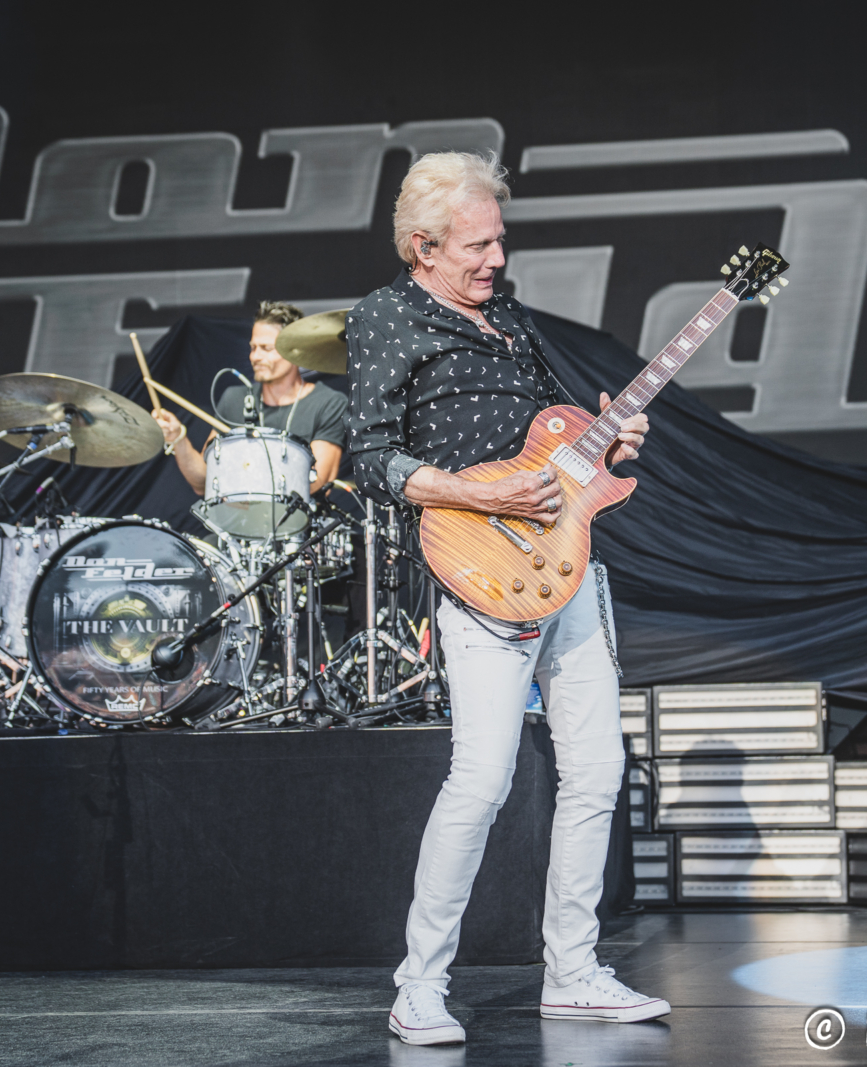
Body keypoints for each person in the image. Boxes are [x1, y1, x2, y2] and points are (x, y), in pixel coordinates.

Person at [345, 151, 669, 1046]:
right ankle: (419, 984)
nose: (495, 259)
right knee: (483, 776)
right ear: (423, 247)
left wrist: (610, 437)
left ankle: (573, 970)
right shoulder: (384, 319)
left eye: (500, 242)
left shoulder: (509, 320)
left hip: (567, 565)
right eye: (477, 245)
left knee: (597, 769)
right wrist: (478, 494)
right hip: (474, 569)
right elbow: (371, 458)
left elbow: (552, 441)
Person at [151, 301, 347, 494]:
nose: (255, 357)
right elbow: (203, 482)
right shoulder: (234, 399)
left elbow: (318, 482)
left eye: (266, 348)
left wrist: (250, 465)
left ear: (294, 350)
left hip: (300, 523)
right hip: (239, 521)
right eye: (253, 348)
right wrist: (178, 438)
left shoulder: (329, 403)